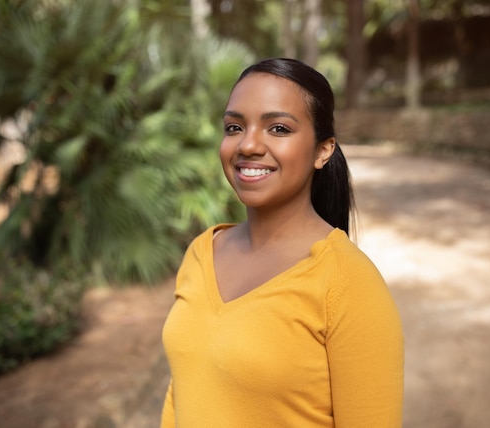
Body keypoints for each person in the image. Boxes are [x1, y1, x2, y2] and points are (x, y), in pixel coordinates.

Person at [160, 58, 404, 427]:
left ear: (323, 150)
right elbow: (182, 392)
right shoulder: (201, 252)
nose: (249, 144)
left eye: (277, 128)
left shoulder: (348, 283)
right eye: (234, 127)